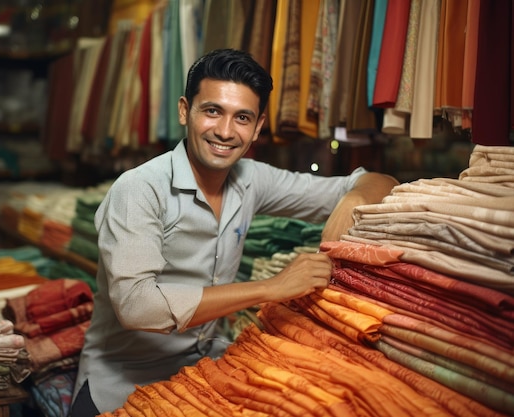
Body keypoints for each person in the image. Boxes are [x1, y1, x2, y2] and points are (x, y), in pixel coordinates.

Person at [70, 48, 399, 415]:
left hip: (203, 375)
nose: (225, 132)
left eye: (242, 117)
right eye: (212, 111)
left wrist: (350, 208)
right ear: (184, 111)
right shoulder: (139, 189)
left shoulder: (252, 179)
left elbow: (375, 182)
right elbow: (137, 307)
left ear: (258, 127)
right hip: (121, 386)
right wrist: (272, 287)